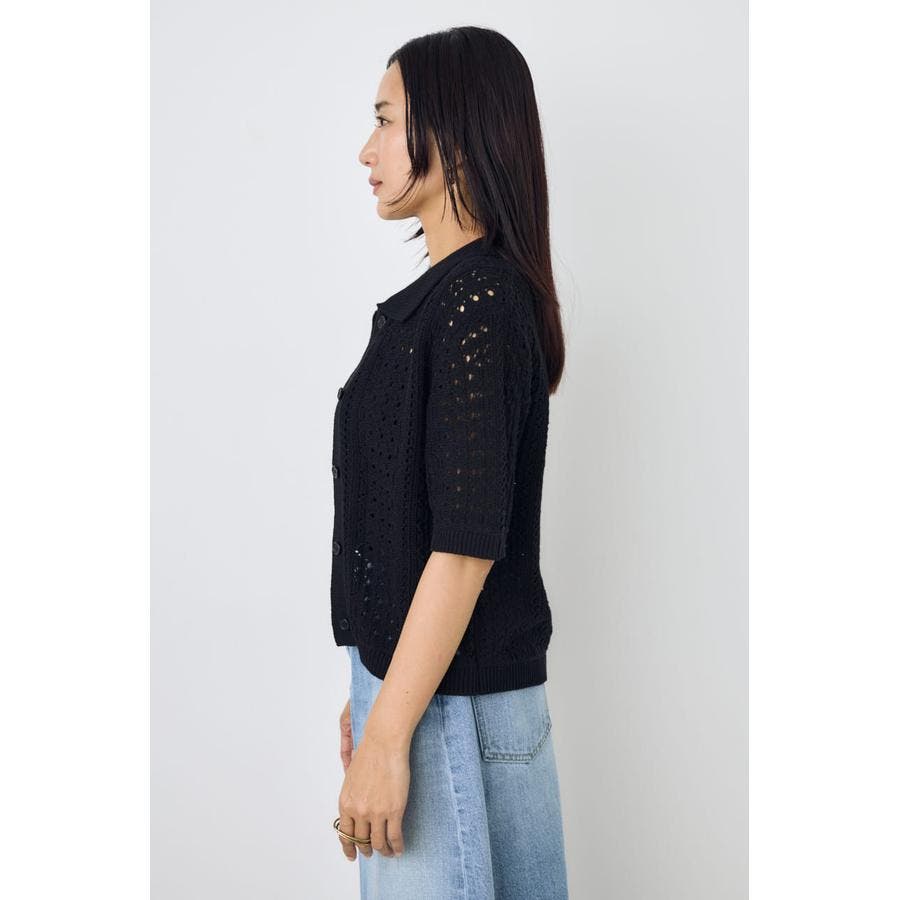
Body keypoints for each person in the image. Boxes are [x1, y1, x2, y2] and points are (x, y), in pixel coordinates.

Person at [330, 25, 569, 899]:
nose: (367, 150)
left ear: (456, 131)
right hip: (430, 695)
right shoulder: (460, 299)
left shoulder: (473, 304)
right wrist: (374, 692)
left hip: (447, 712)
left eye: (385, 119)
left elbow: (464, 550)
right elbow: (417, 526)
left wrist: (391, 730)